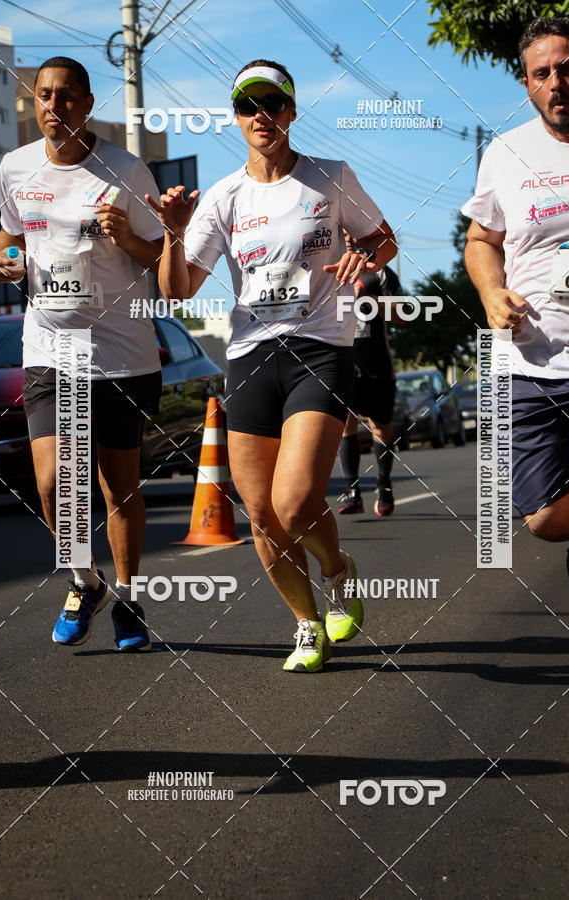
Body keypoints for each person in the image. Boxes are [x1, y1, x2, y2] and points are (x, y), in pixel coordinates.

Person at [148, 59, 396, 672]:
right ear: (236, 117)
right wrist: (173, 236)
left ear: (290, 110)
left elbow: (385, 238)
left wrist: (363, 256)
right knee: (259, 513)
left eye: (271, 104)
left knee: (294, 500)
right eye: (246, 106)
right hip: (251, 356)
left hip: (320, 348)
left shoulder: (330, 177)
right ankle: (307, 623)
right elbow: (178, 291)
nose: (260, 115)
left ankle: (338, 574)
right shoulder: (226, 196)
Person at [0, 57, 165, 650]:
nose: (54, 107)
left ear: (88, 105)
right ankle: (84, 579)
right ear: (33, 102)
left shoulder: (124, 169)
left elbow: (163, 260)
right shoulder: (15, 167)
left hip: (120, 355)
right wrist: (0, 258)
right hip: (48, 348)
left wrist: (128, 237)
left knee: (118, 489)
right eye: (44, 95)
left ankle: (130, 598)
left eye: (66, 97)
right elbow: (10, 232)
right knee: (52, 482)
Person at [462, 15, 569, 601]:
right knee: (542, 519)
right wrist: (490, 291)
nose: (556, 82)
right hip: (531, 363)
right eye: (543, 74)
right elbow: (482, 240)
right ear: (527, 85)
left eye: (568, 68)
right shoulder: (507, 152)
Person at [338, 266, 403, 517]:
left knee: (381, 427)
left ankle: (384, 485)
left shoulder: (379, 273)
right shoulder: (325, 267)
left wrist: (369, 300)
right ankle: (352, 492)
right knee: (345, 425)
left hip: (377, 365)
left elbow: (402, 314)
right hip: (342, 363)